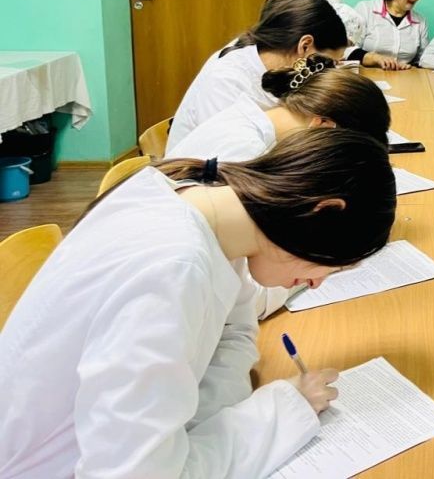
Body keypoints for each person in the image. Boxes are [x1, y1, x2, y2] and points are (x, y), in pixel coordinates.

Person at [0, 128, 396, 477]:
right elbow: (132, 473)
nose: (315, 282)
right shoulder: (171, 267)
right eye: (331, 265)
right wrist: (284, 411)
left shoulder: (208, 206)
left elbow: (235, 331)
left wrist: (212, 423)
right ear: (323, 211)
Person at [166, 56, 391, 318]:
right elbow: (242, 300)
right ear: (323, 126)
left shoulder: (258, 126)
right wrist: (329, 259)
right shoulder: (246, 151)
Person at [167, 0, 349, 151]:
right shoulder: (225, 81)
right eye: (329, 63)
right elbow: (233, 160)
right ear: (305, 46)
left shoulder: (266, 56)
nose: (329, 72)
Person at [350, 0, 429, 70]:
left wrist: (410, 67)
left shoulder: (420, 21)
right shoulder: (365, 9)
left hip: (404, 77)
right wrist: (375, 58)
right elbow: (347, 50)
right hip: (366, 75)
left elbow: (423, 60)